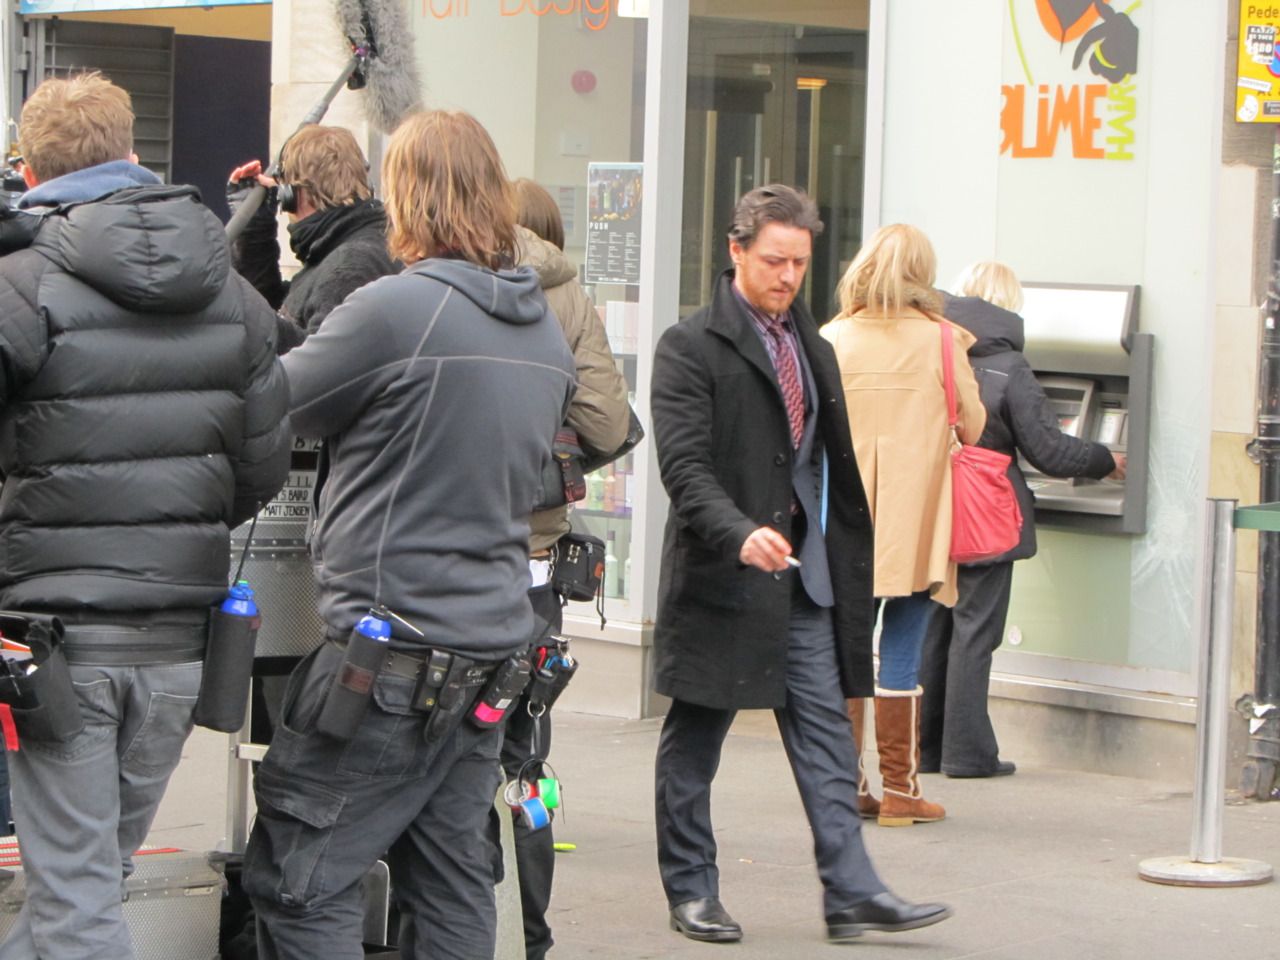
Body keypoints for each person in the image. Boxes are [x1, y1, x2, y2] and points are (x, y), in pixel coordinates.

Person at [240, 110, 576, 960]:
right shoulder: (540, 327)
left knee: (300, 880)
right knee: (451, 881)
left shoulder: (397, 310)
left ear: (405, 196)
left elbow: (274, 405)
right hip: (490, 651)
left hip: (389, 654)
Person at [0, 72, 290, 959]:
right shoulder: (234, 295)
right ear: (132, 154)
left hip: (55, 638)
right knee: (86, 883)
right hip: (178, 641)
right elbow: (261, 468)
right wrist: (180, 526)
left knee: (77, 899)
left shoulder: (20, 285)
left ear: (31, 170)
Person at [650, 184, 951, 945]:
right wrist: (738, 532)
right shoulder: (689, 347)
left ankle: (852, 891)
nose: (788, 276)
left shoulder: (813, 344)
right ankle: (692, 889)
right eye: (774, 261)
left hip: (804, 579)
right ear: (736, 251)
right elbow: (685, 469)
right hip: (722, 580)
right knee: (696, 740)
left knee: (826, 738)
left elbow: (817, 458)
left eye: (800, 263)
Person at [918, 261, 1125, 778]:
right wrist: (1105, 459)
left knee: (936, 627)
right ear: (1008, 307)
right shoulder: (1009, 366)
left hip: (933, 506)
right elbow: (1049, 451)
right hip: (985, 512)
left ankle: (927, 749)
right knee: (975, 632)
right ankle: (968, 754)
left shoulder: (934, 349)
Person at [821, 224, 986, 827]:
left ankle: (848, 785)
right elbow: (973, 425)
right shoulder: (942, 340)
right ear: (924, 273)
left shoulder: (832, 338)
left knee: (847, 650)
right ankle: (901, 790)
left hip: (847, 518)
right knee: (903, 647)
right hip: (918, 518)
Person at [503, 177, 630, 960]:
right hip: (535, 562)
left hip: (446, 559)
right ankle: (531, 932)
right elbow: (609, 422)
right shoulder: (569, 297)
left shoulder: (450, 279)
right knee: (526, 759)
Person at [228, 124, 399, 350]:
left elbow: (316, 359)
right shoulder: (347, 246)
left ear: (291, 195)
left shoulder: (349, 268)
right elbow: (280, 309)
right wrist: (254, 229)